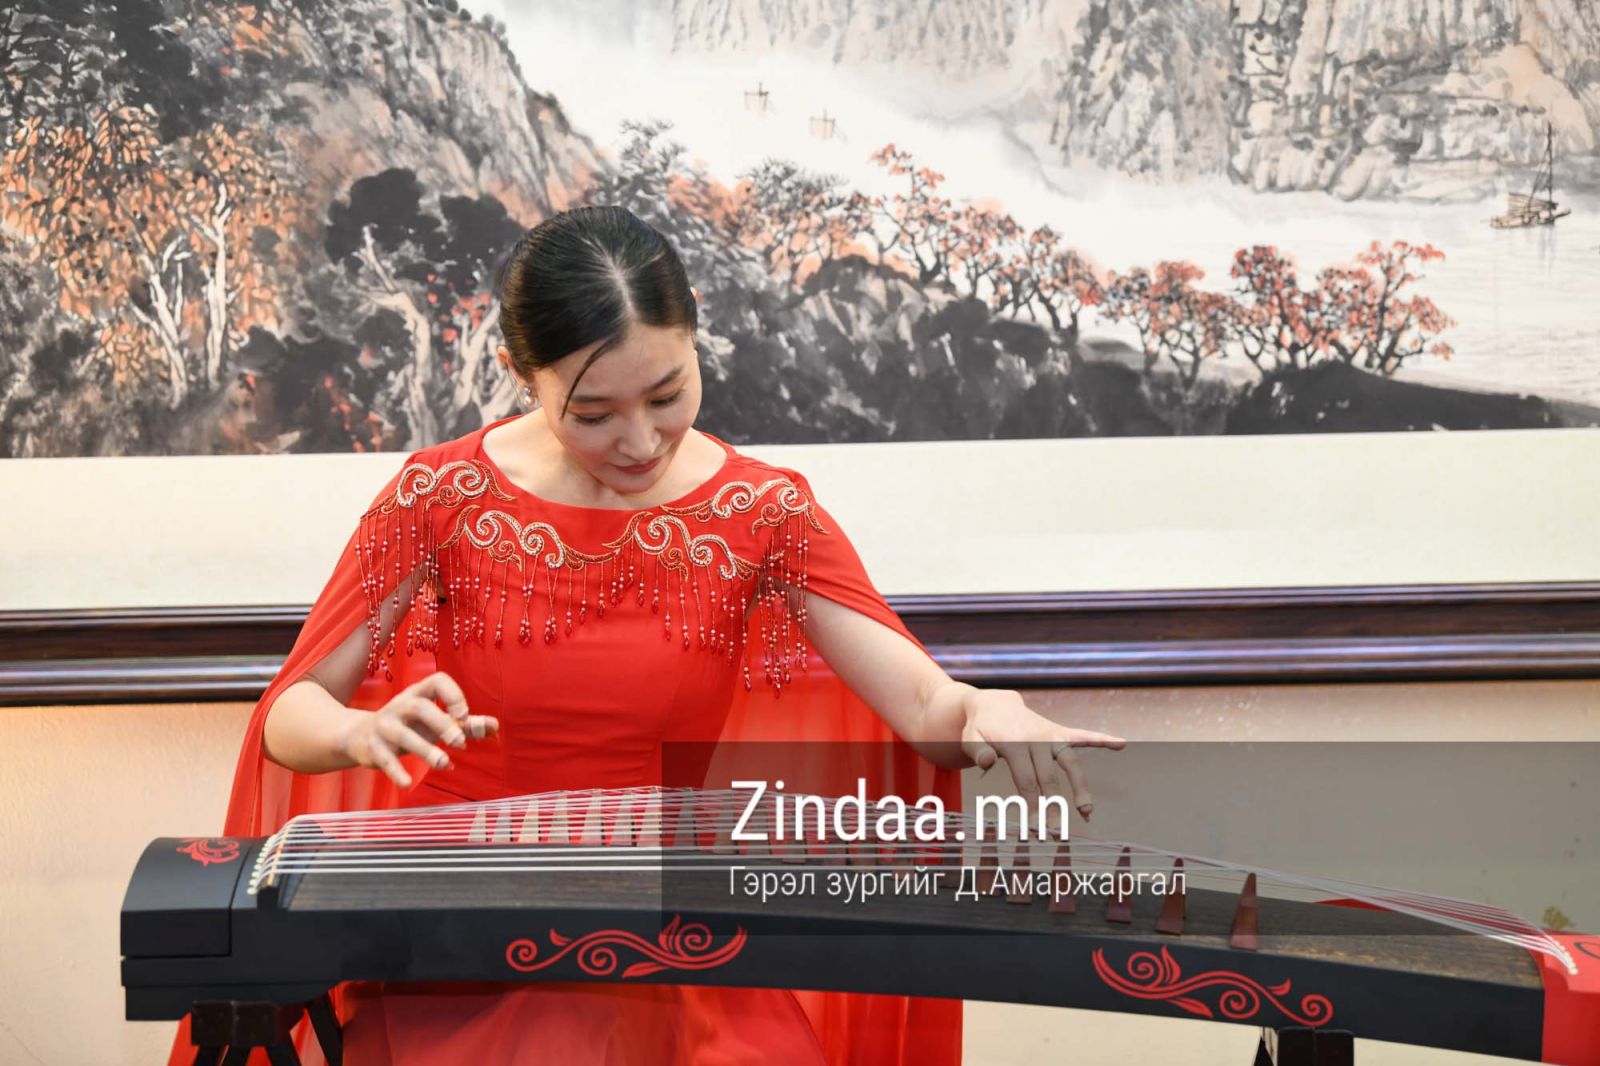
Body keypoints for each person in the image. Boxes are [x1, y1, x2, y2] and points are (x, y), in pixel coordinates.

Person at [171, 205, 1125, 1065]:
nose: (639, 441)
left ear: (695, 332)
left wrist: (983, 708)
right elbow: (290, 712)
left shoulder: (762, 512)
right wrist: (356, 732)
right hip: (465, 927)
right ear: (520, 374)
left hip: (670, 928)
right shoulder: (443, 495)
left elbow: (921, 703)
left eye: (667, 395)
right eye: (593, 414)